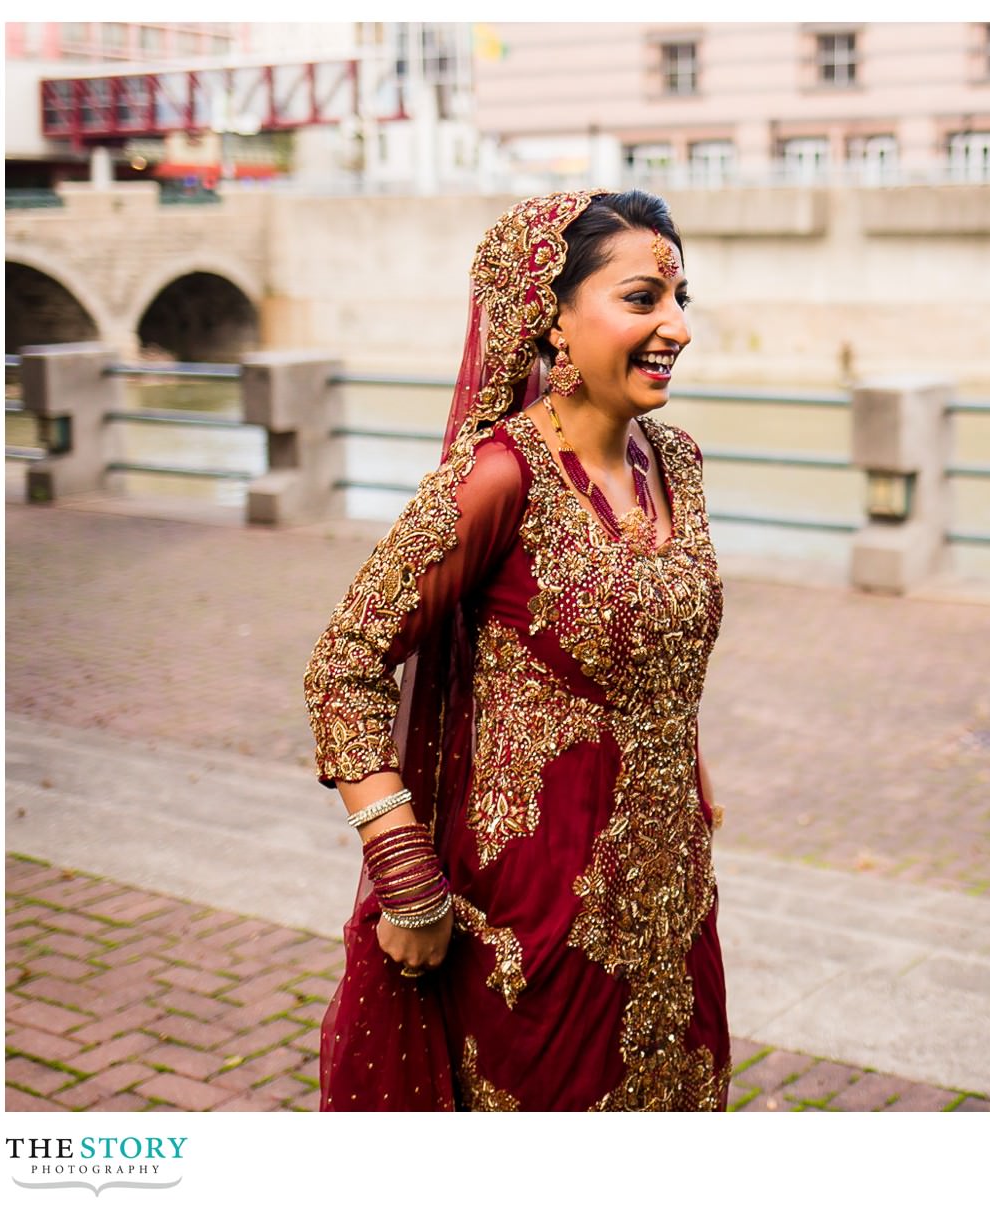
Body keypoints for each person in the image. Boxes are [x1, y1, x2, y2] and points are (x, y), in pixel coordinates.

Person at [304, 190, 730, 1111]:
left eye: (681, 297)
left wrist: (685, 774)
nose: (678, 328)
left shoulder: (679, 462)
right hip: (535, 926)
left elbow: (655, 651)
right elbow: (343, 663)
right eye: (643, 297)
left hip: (676, 907)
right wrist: (403, 871)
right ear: (552, 319)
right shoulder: (503, 474)